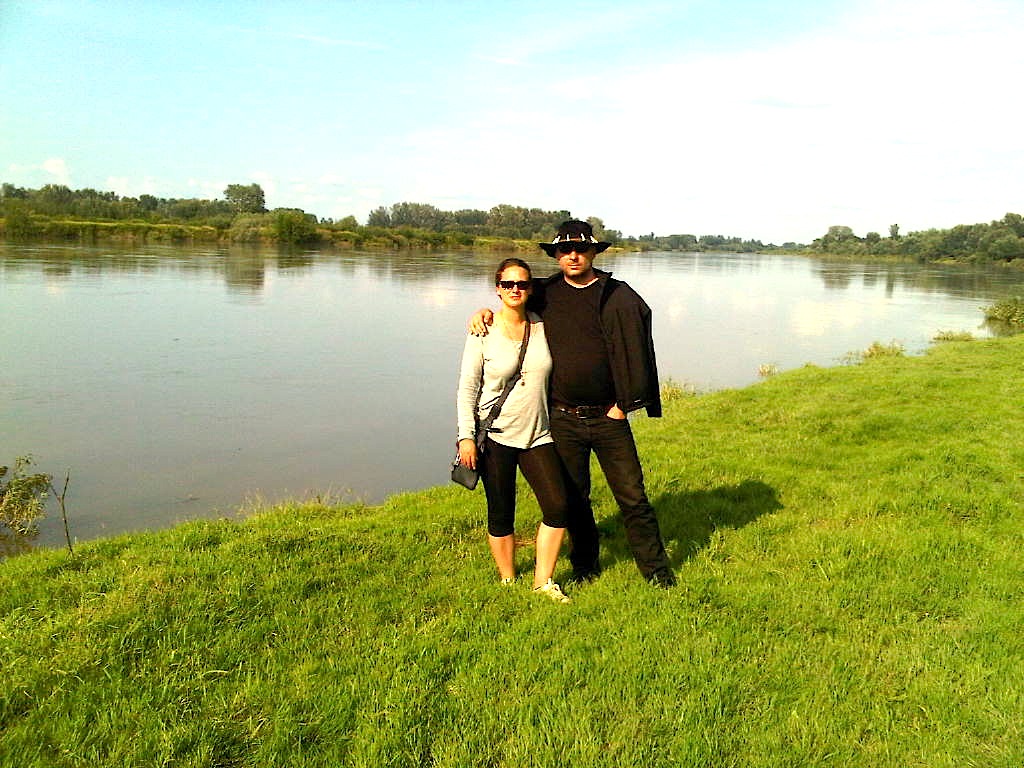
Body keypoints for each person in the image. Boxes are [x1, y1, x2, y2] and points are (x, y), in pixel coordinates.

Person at [470, 221, 675, 588]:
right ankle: (584, 566)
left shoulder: (619, 295)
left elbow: (640, 342)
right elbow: (510, 303)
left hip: (609, 418)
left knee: (632, 496)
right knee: (575, 499)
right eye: (565, 251)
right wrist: (483, 313)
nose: (573, 256)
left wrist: (624, 405)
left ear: (595, 252)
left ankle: (656, 571)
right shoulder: (545, 293)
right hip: (563, 417)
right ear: (556, 256)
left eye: (580, 249)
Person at [456, 257, 572, 603]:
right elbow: (467, 388)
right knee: (501, 511)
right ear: (498, 289)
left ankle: (543, 581)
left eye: (522, 283)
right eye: (508, 284)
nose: (515, 290)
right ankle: (508, 580)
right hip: (494, 438)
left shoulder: (543, 325)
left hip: (539, 435)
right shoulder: (482, 331)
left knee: (558, 507)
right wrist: (466, 436)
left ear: (531, 288)